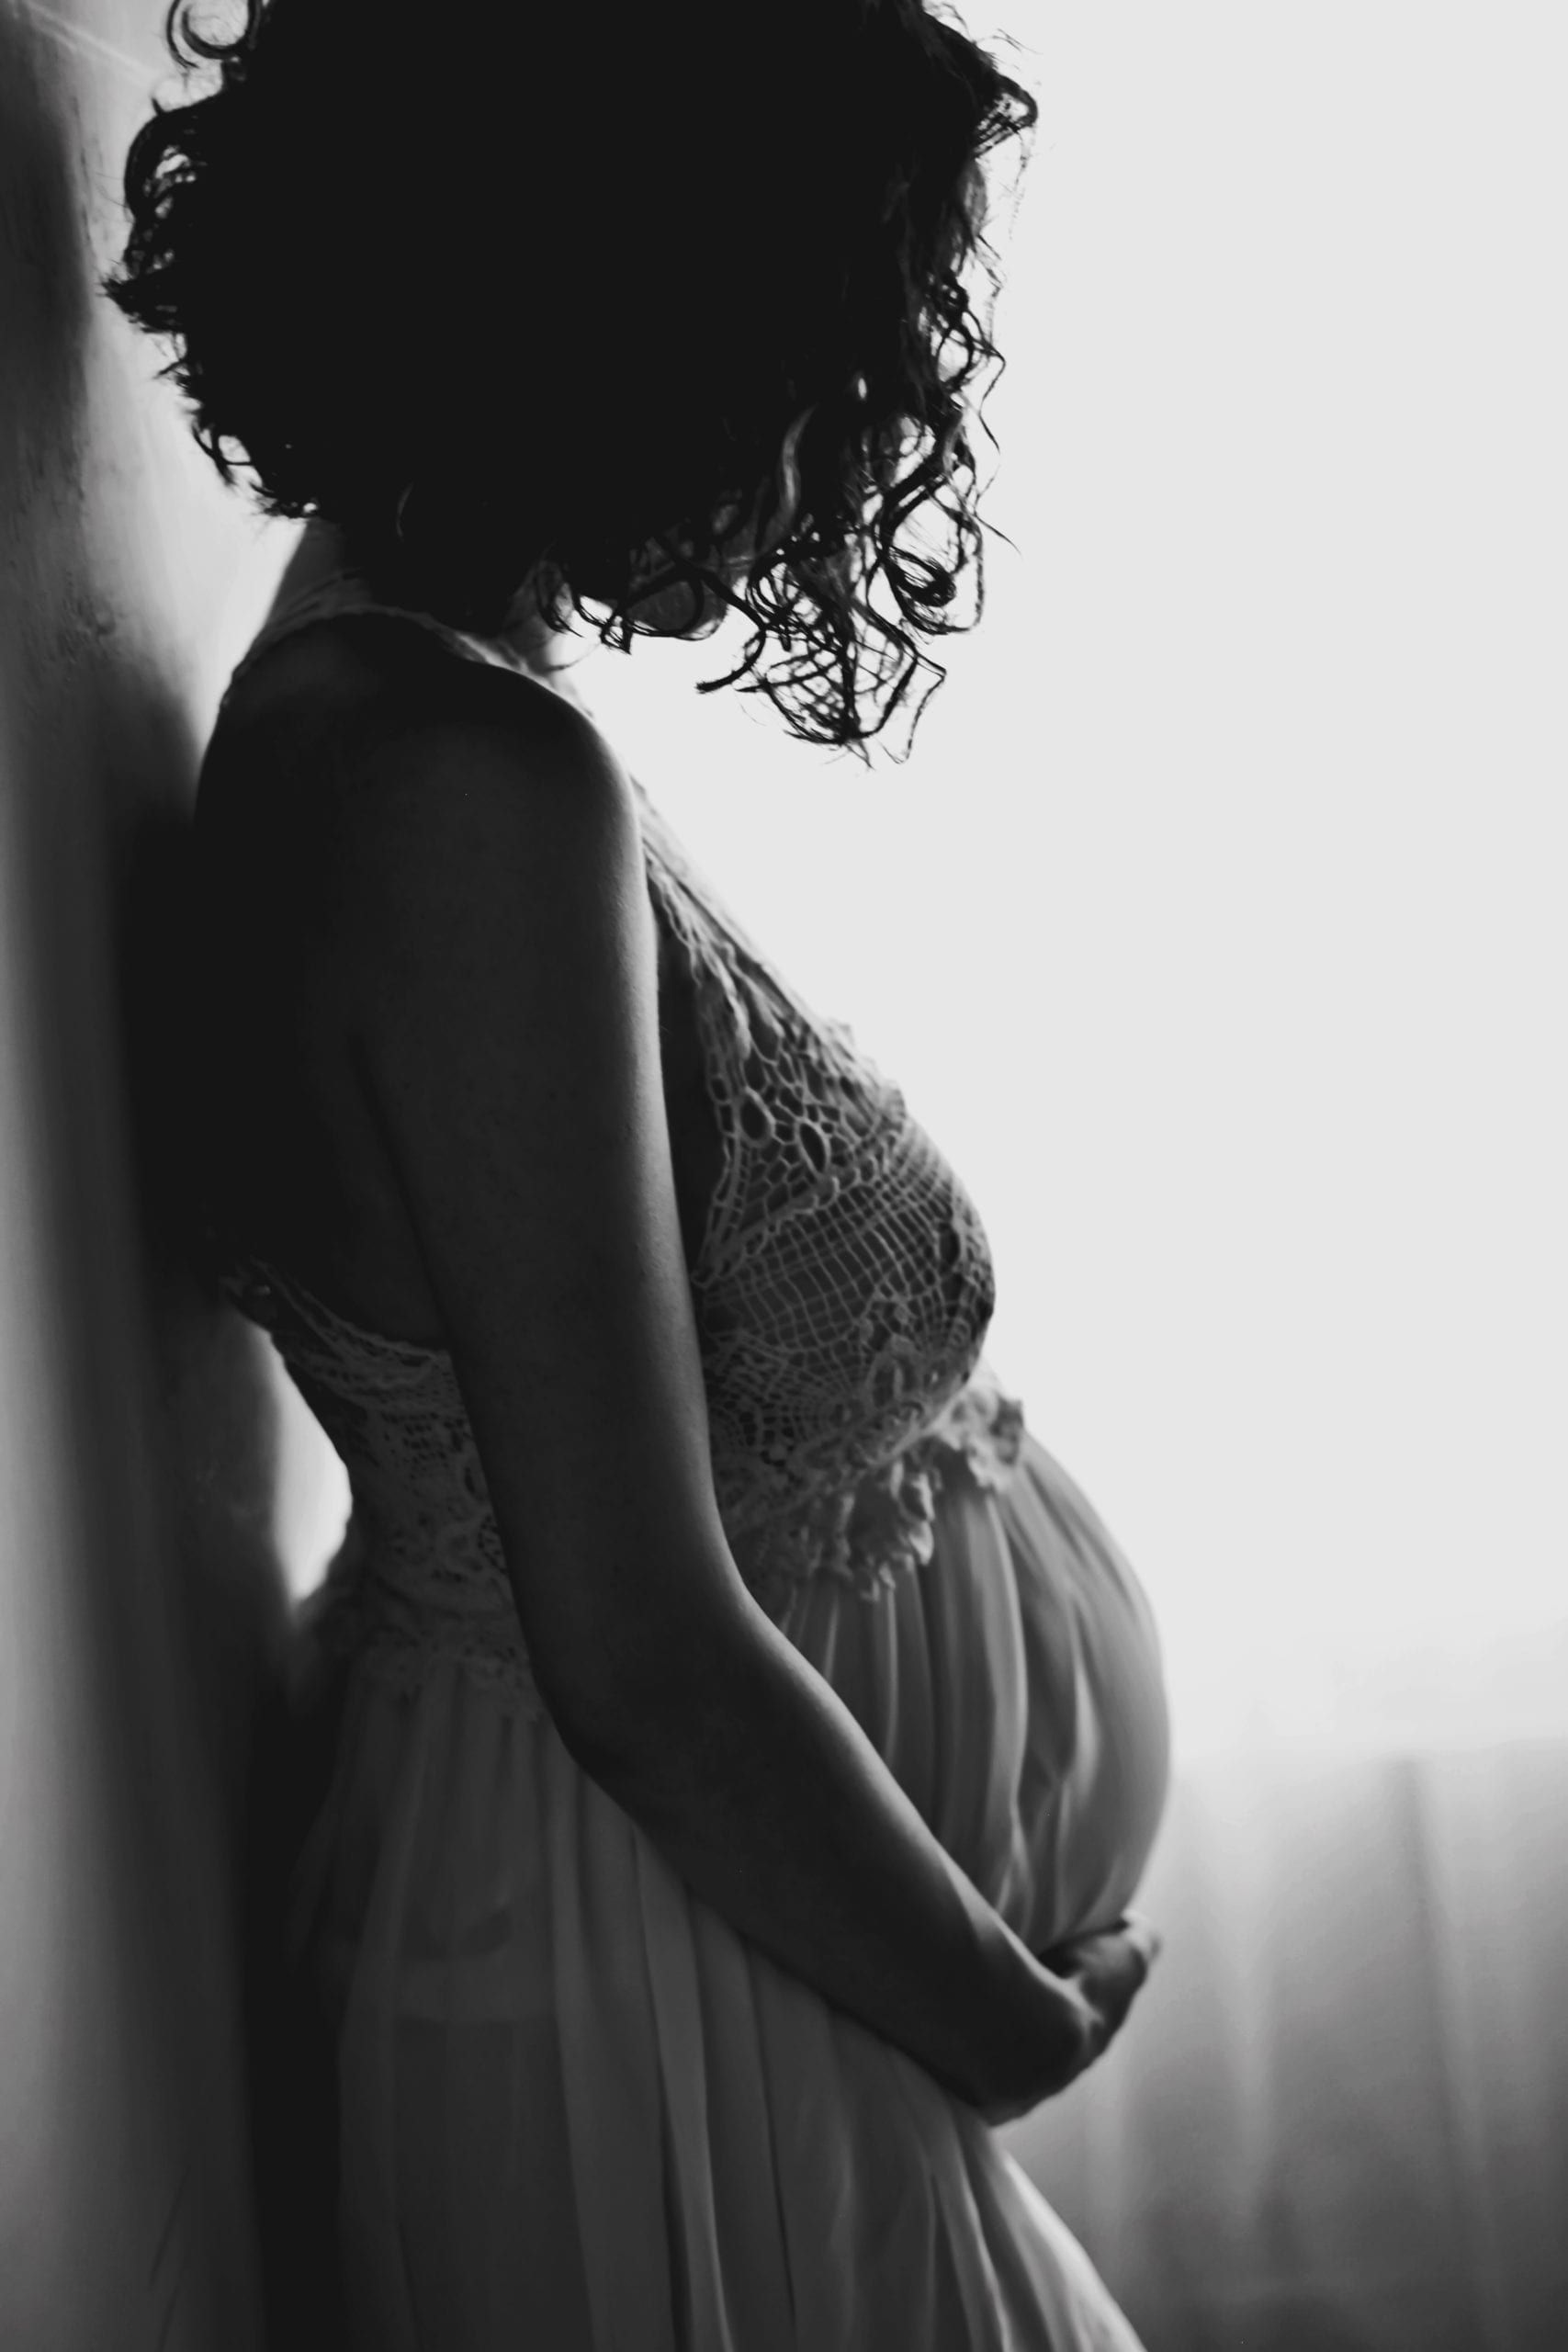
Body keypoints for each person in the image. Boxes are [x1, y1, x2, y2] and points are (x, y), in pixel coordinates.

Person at [105, 2, 1171, 2344]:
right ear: (617, 300)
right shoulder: (453, 795)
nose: (831, 432)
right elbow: (643, 1650)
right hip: (647, 1982)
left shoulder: (426, 704)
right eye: (812, 333)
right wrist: (1001, 2021)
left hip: (668, 1959)